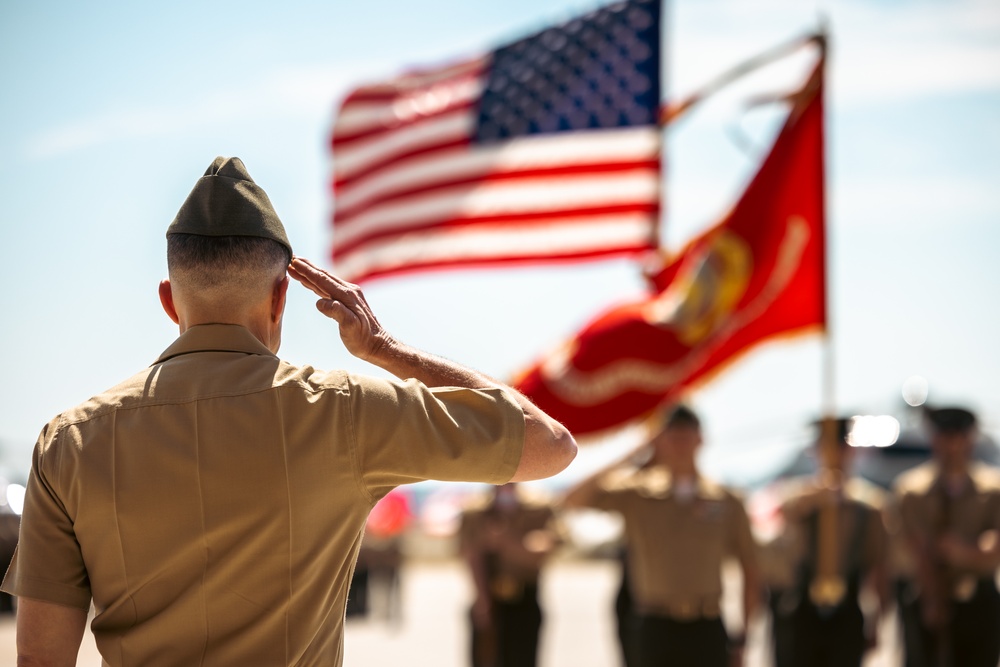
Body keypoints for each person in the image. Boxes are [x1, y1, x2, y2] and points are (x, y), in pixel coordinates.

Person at [0, 156, 577, 666]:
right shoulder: (346, 413)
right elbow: (549, 445)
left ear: (169, 301)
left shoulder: (70, 440)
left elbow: (39, 655)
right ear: (281, 298)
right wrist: (385, 349)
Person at [563, 404, 760, 667]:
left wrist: (744, 637)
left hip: (707, 627)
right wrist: (632, 455)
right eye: (671, 436)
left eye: (685, 435)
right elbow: (573, 499)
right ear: (658, 441)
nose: (679, 444)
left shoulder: (726, 500)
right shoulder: (637, 495)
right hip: (654, 628)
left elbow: (751, 566)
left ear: (700, 439)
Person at [765, 418, 889, 667]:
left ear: (851, 451)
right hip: (801, 609)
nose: (834, 455)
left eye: (840, 448)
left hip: (846, 608)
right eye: (827, 447)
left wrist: (878, 619)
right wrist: (819, 496)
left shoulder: (869, 505)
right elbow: (785, 524)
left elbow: (879, 565)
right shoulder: (798, 497)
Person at [889, 406, 1000, 667]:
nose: (951, 446)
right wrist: (931, 595)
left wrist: (960, 551)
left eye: (958, 438)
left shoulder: (993, 488)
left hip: (978, 600)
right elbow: (908, 546)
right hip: (926, 597)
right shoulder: (911, 490)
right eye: (944, 438)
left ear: (969, 440)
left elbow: (995, 544)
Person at [459, 483, 560, 667]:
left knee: (522, 659)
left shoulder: (539, 506)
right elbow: (470, 554)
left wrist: (506, 541)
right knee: (485, 659)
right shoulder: (475, 510)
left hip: (524, 599)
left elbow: (544, 550)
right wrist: (483, 599)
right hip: (488, 597)